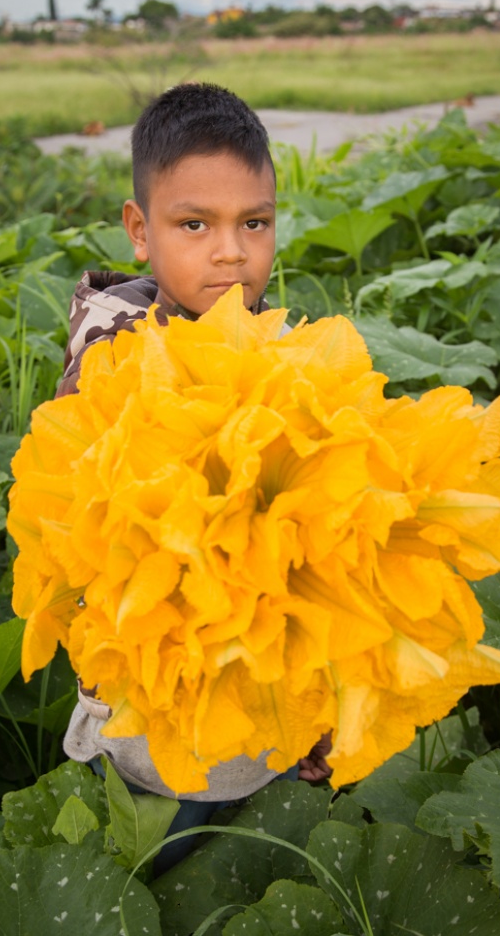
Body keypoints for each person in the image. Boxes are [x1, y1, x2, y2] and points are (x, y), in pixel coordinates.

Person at [58, 82, 332, 874]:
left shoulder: (267, 338)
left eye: (254, 222)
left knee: (258, 839)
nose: (231, 252)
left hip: (249, 670)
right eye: (194, 225)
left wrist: (310, 707)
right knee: (164, 849)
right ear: (139, 232)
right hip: (147, 678)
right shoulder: (113, 357)